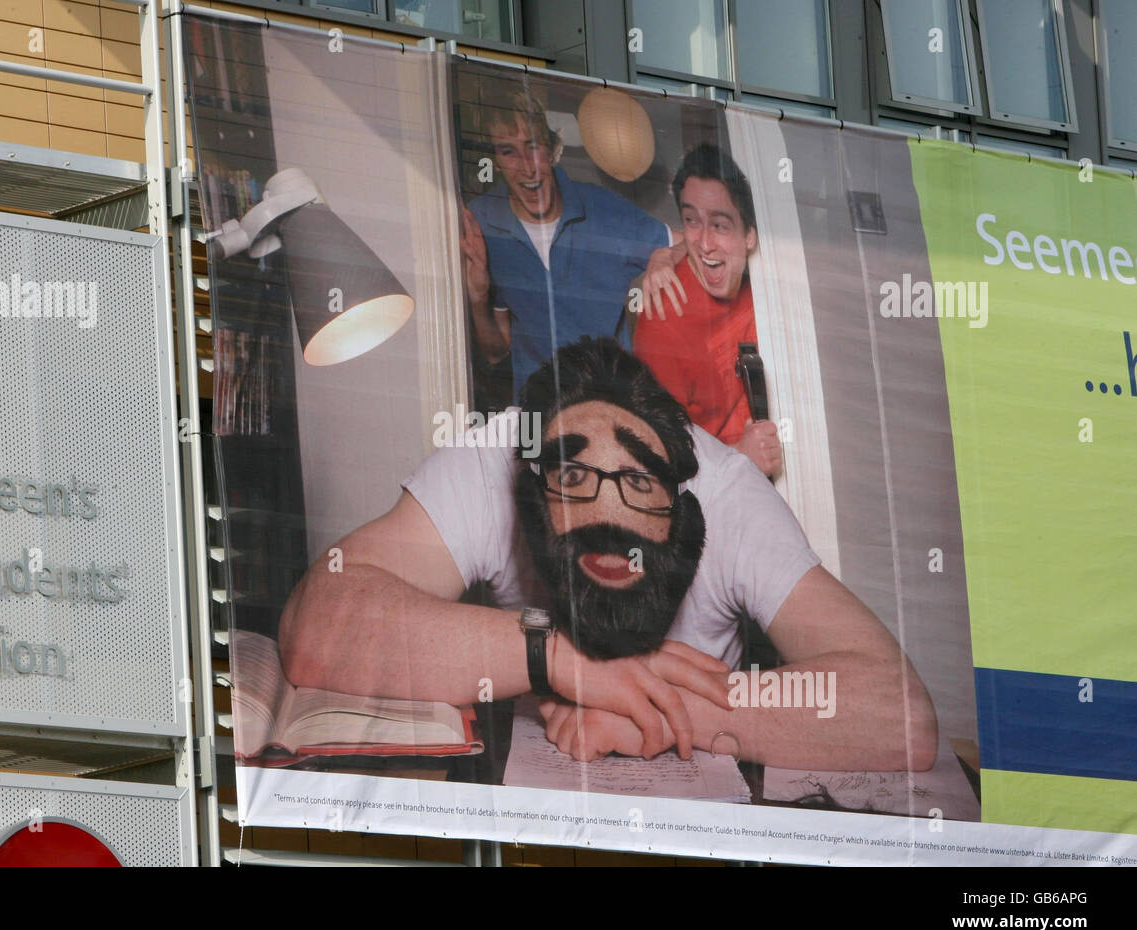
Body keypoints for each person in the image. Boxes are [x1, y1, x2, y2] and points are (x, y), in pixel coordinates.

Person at [279, 338, 938, 771]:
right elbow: (318, 624)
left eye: (640, 494)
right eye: (575, 489)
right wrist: (556, 654)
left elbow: (900, 714)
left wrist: (653, 710)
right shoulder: (496, 458)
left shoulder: (728, 491)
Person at [460, 88, 682, 404]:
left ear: (551, 150)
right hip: (538, 418)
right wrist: (479, 298)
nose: (527, 167)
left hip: (610, 408)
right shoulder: (481, 222)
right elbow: (496, 352)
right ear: (495, 161)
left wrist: (665, 254)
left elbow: (697, 244)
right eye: (508, 152)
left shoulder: (602, 208)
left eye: (533, 147)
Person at [633, 142, 782, 478]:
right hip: (718, 496)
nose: (703, 243)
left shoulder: (771, 282)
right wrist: (737, 458)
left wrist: (667, 252)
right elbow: (656, 464)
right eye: (691, 221)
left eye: (720, 225)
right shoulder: (663, 316)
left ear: (750, 237)